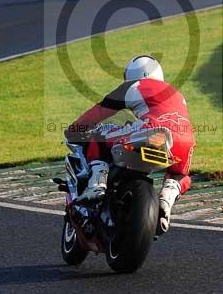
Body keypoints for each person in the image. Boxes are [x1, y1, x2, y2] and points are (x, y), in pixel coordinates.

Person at [65, 56, 196, 235]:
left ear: (131, 75)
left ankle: (96, 185)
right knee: (180, 174)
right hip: (184, 140)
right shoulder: (178, 94)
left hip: (153, 130)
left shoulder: (134, 86)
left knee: (99, 136)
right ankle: (166, 199)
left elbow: (98, 113)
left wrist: (73, 129)